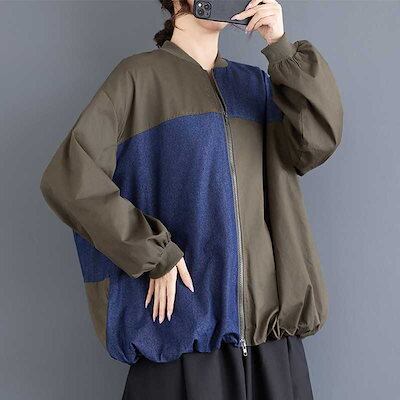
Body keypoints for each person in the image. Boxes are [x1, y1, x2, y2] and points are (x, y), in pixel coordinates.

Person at [39, 0, 343, 398]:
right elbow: (68, 179)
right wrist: (151, 251)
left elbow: (316, 141)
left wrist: (280, 46)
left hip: (272, 351)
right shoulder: (137, 79)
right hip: (183, 347)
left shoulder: (256, 85)